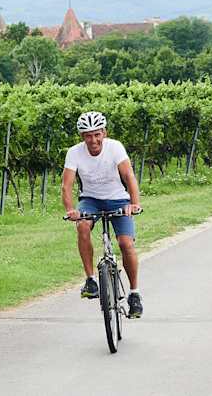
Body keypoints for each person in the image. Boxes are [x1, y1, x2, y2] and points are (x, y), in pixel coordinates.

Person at [62, 111, 144, 318]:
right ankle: (91, 280)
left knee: (126, 243)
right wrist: (71, 210)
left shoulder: (115, 147)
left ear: (104, 133)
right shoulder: (74, 153)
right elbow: (66, 185)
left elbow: (129, 176)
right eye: (88, 135)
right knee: (82, 226)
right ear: (82, 136)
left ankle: (134, 293)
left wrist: (134, 204)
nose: (93, 140)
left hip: (119, 199)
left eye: (97, 134)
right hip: (90, 200)